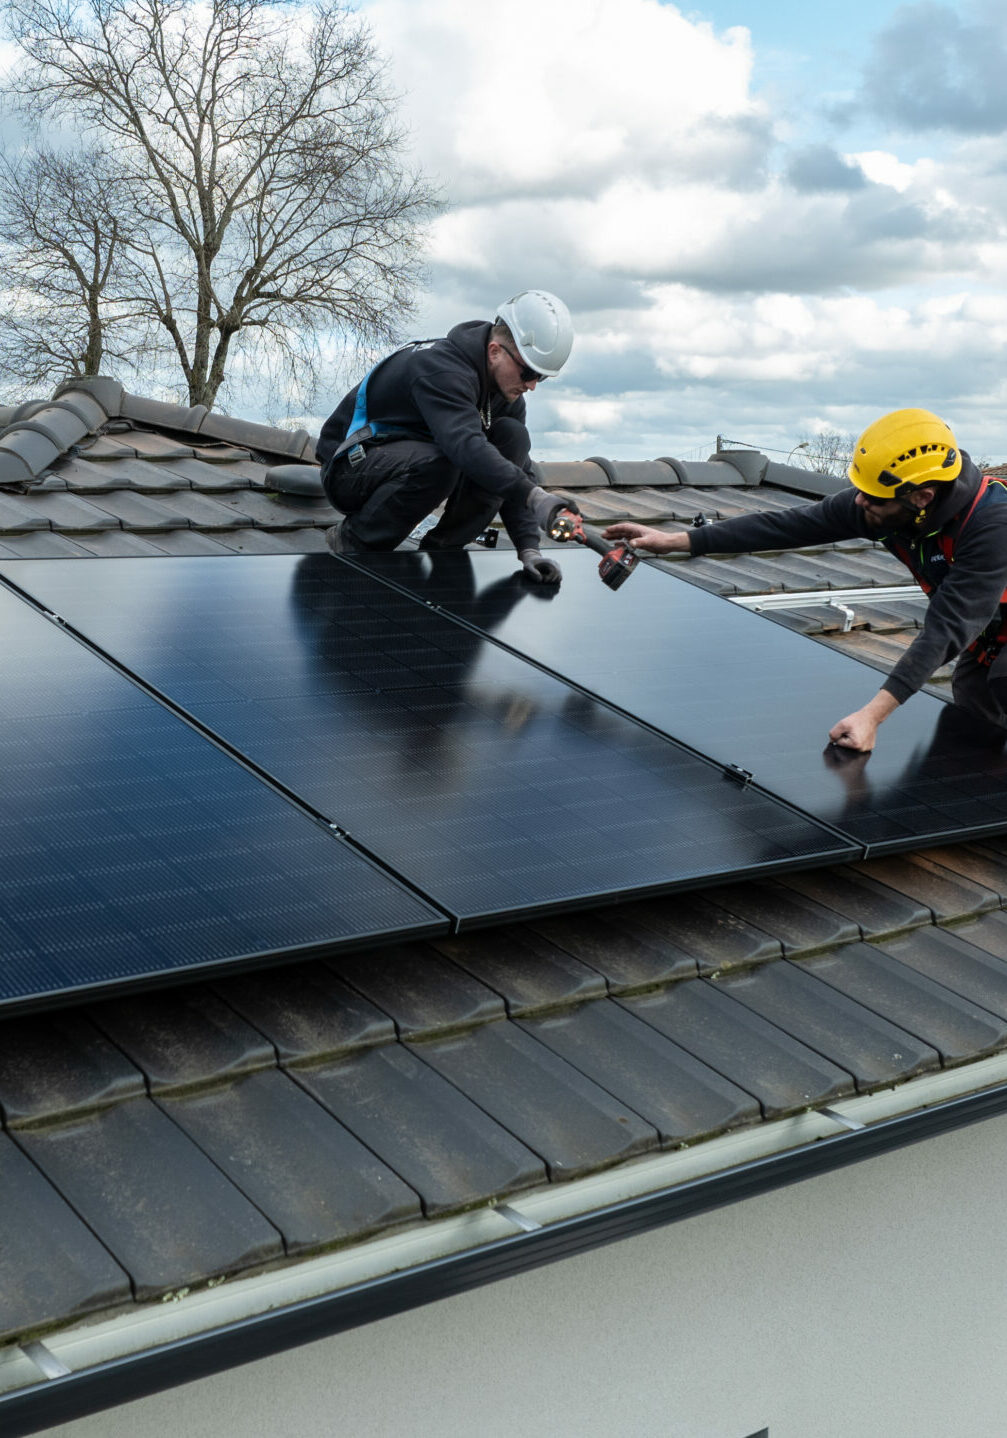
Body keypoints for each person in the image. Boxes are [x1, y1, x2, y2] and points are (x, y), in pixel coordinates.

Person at [603, 408, 1007, 751]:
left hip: (982, 630)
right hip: (988, 638)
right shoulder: (886, 501)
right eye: (860, 490)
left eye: (873, 497)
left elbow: (946, 627)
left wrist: (871, 716)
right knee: (970, 736)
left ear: (923, 497)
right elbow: (786, 526)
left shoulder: (990, 525)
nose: (860, 501)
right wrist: (677, 540)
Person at [315, 289, 574, 584]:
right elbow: (464, 446)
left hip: (406, 462)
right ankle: (354, 542)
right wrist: (535, 497)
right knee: (443, 460)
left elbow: (516, 470)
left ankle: (443, 550)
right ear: (494, 351)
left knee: (512, 437)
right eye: (528, 372)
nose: (531, 385)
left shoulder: (505, 395)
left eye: (540, 377)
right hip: (348, 470)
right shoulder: (440, 370)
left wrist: (529, 549)